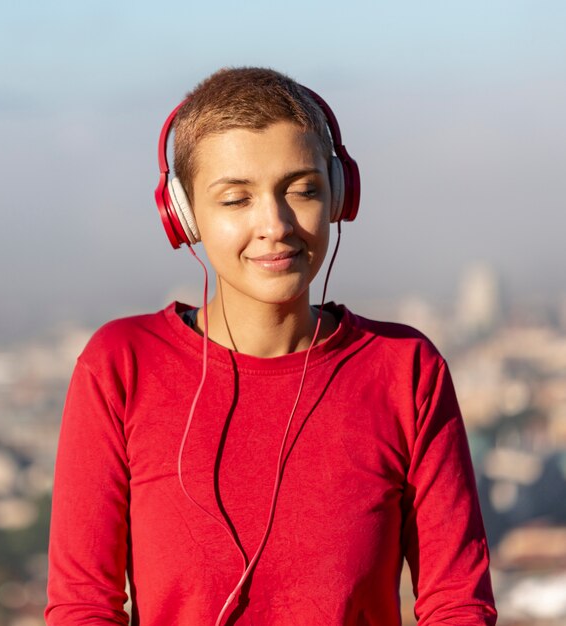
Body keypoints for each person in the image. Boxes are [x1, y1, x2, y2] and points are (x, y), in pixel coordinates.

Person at [45, 67, 497, 625]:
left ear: (339, 193)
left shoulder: (404, 370)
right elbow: (83, 606)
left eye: (302, 189)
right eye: (236, 199)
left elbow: (457, 603)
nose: (276, 224)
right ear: (184, 216)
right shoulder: (122, 365)